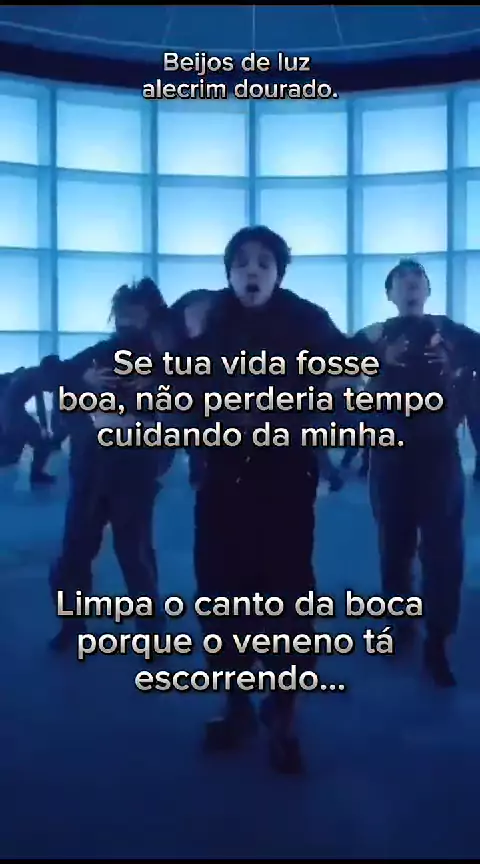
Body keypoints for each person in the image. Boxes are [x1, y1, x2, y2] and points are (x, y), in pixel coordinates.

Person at [174, 225, 371, 774]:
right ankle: (237, 704)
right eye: (241, 262)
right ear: (229, 272)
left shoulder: (305, 319)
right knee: (221, 591)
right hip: (221, 479)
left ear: (279, 272)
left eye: (264, 262)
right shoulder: (208, 316)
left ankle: (283, 711)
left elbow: (347, 364)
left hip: (284, 478)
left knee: (286, 593)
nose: (252, 271)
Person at [363, 258, 480, 687]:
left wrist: (457, 366)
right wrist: (379, 357)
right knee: (394, 546)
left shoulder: (449, 332)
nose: (411, 286)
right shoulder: (377, 334)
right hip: (389, 456)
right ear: (390, 294)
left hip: (438, 455)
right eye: (402, 281)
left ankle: (438, 639)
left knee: (443, 551)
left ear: (428, 291)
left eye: (418, 281)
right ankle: (400, 623)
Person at [49, 282, 171, 652]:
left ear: (150, 317)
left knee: (134, 551)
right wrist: (83, 380)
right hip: (92, 466)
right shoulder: (103, 353)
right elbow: (54, 371)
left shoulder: (164, 359)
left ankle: (151, 630)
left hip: (134, 467)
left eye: (134, 315)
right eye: (122, 315)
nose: (126, 322)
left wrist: (154, 388)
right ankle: (73, 624)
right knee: (77, 548)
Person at [0, 355, 61, 486]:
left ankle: (37, 474)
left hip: (11, 411)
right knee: (41, 443)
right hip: (12, 412)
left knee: (13, 451)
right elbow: (40, 405)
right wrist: (44, 427)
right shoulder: (37, 377)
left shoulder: (34, 373)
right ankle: (36, 475)